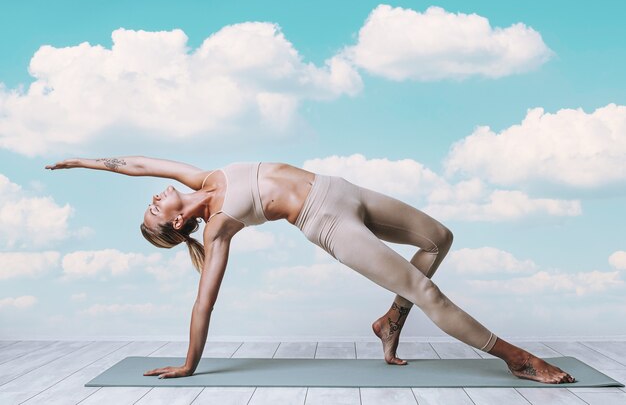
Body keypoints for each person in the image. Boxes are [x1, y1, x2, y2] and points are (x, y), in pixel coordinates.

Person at [45, 156, 576, 384]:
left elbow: (136, 163)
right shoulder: (217, 227)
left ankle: (390, 320)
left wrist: (81, 163)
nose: (154, 197)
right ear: (176, 225)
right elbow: (204, 301)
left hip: (339, 188)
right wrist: (188, 364)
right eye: (153, 209)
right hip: (324, 221)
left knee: (440, 239)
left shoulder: (201, 175)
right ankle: (517, 358)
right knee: (425, 287)